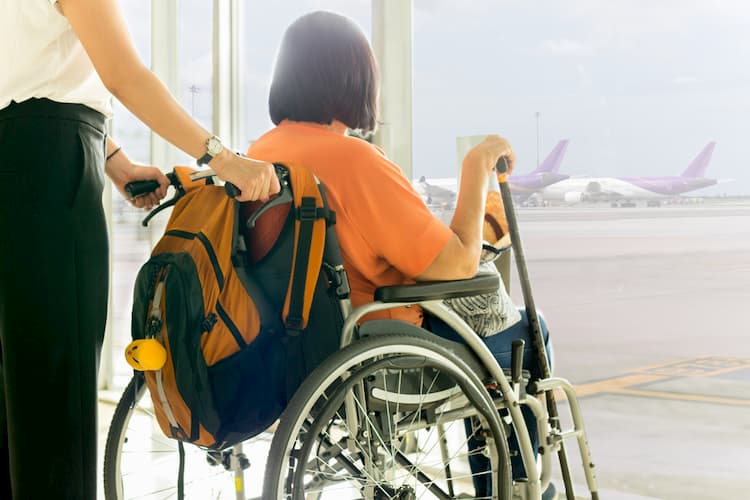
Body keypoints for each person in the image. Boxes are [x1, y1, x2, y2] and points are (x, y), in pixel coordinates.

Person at [244, 10, 556, 499]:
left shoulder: (259, 154)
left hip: (298, 348)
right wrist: (476, 167)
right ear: (353, 79)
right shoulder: (352, 160)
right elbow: (453, 264)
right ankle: (514, 486)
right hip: (378, 350)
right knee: (529, 335)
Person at [0, 0, 278, 497]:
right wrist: (222, 157)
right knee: (57, 389)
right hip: (47, 168)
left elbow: (24, 76)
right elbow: (123, 75)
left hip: (19, 154)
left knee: (16, 392)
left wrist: (117, 163)